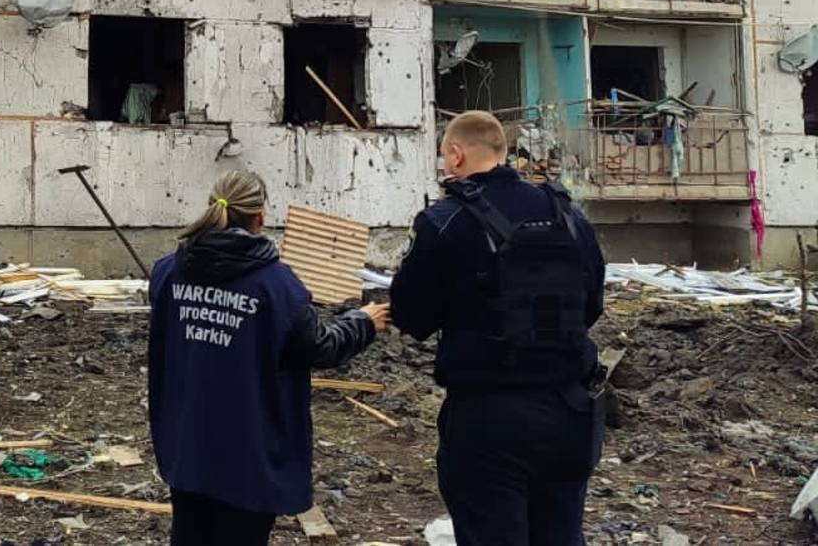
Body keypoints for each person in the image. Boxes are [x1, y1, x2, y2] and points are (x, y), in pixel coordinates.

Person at [390, 111, 607, 546]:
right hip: (570, 411)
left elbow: (410, 315)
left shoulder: (444, 221)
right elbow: (591, 306)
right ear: (502, 153)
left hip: (489, 416)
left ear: (455, 155)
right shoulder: (569, 216)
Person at [149, 170, 390, 546]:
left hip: (187, 441)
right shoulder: (277, 286)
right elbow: (319, 347)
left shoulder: (168, 273)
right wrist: (363, 323)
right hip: (250, 450)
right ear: (260, 217)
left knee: (190, 533)